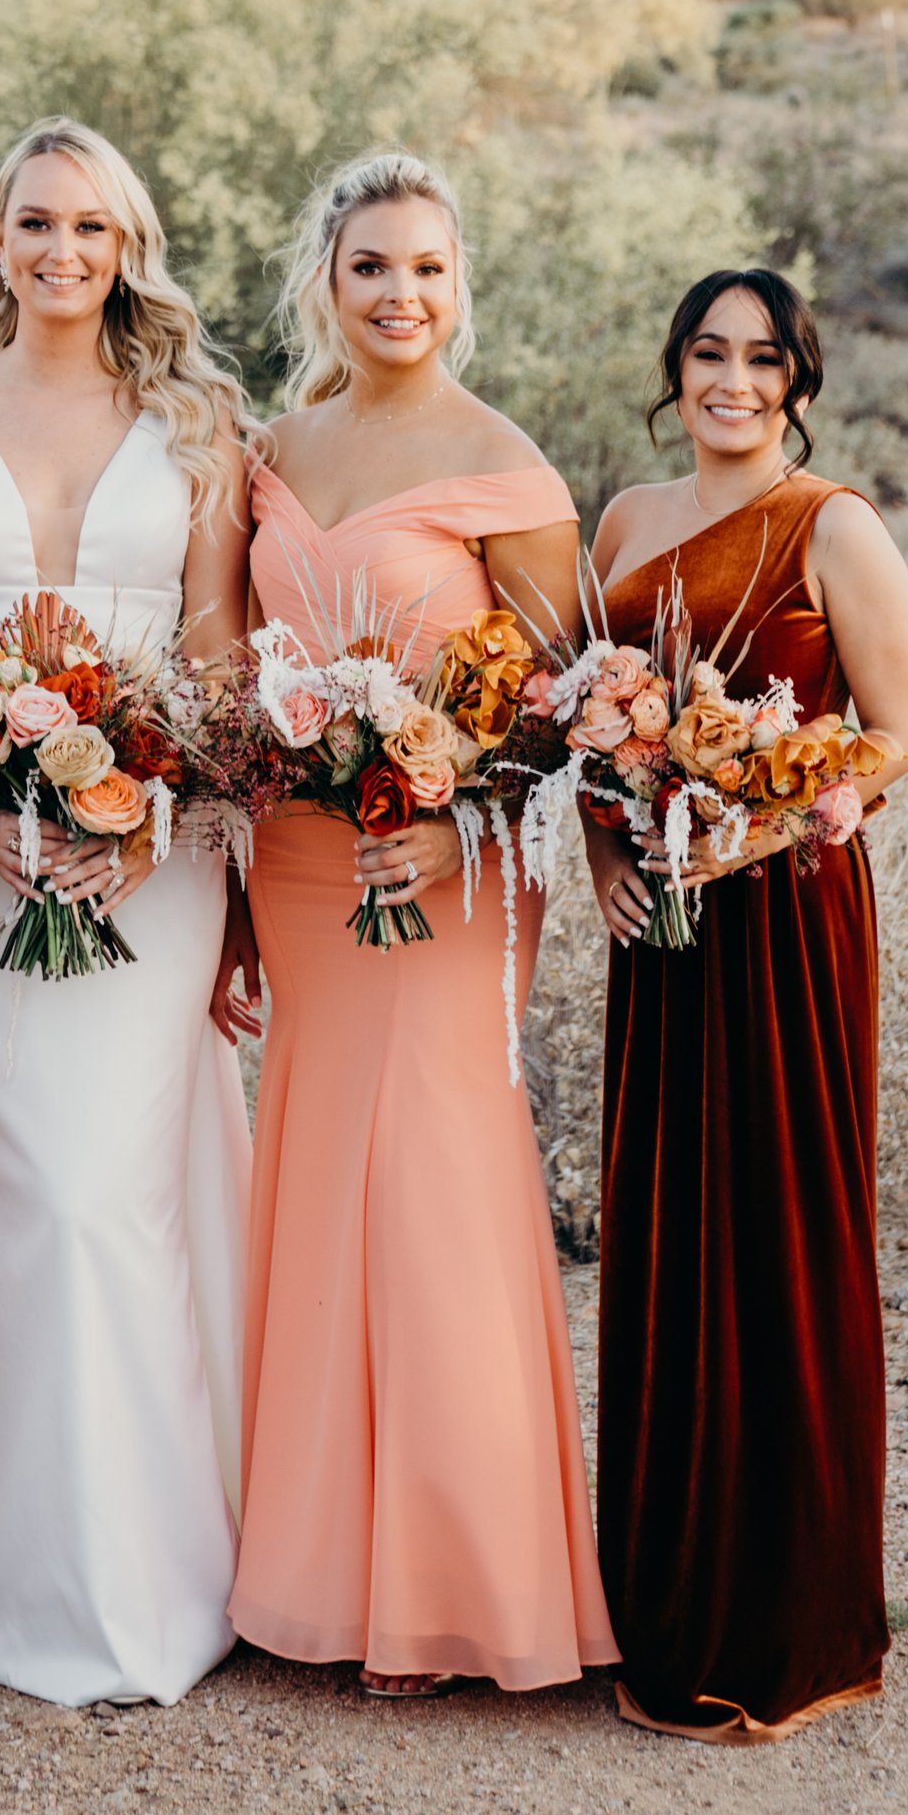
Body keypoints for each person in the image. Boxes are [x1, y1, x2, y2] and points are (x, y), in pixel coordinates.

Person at [0, 117, 251, 1707]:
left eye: (93, 226)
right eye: (36, 222)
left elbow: (220, 663)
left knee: (119, 1199)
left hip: (155, 870)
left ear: (128, 243)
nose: (64, 250)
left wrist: (145, 813)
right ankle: (15, 1585)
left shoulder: (199, 424)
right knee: (13, 1212)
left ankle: (166, 1584)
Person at [229, 152, 614, 1698]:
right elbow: (235, 654)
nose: (401, 293)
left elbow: (564, 696)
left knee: (436, 1184)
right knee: (319, 1172)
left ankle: (460, 1583)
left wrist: (457, 826)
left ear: (464, 284)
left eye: (429, 268)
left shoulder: (502, 464)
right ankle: (316, 1573)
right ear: (326, 275)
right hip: (301, 865)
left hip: (439, 880)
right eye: (373, 263)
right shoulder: (267, 449)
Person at [586, 267, 908, 1739]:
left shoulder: (833, 523)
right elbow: (584, 719)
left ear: (798, 377)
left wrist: (771, 821)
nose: (734, 378)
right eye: (710, 352)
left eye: (763, 357)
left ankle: (787, 1612)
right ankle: (661, 1597)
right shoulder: (620, 521)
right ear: (676, 365)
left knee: (777, 1227)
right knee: (666, 1234)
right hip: (655, 925)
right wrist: (610, 840)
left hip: (780, 914)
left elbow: (898, 733)